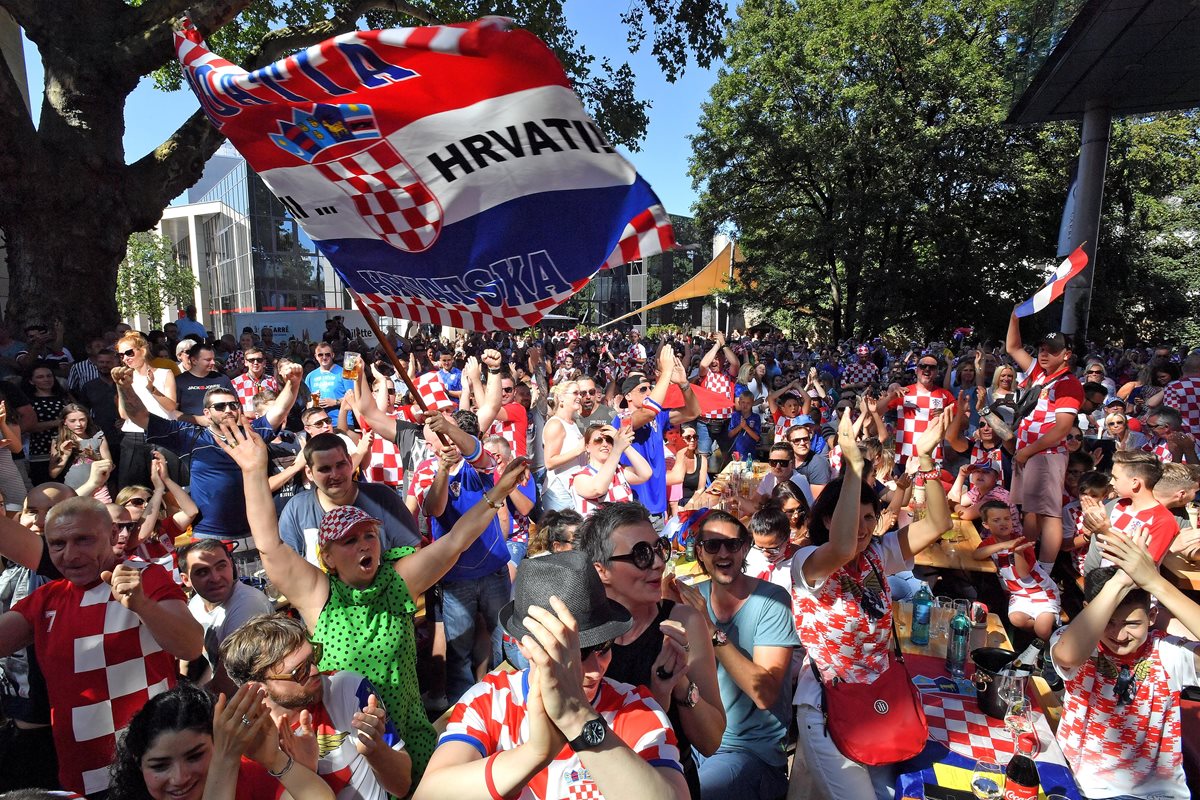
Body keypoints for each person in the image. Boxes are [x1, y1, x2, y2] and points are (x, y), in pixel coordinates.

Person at [220, 418, 532, 780]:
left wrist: (496, 495)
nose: (365, 544)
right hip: (346, 747)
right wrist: (253, 472)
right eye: (350, 541)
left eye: (369, 535)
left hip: (409, 739)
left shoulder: (397, 582)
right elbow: (269, 546)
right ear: (329, 557)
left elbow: (456, 540)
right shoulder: (319, 594)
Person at [418, 550, 689, 800]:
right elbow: (427, 794)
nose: (596, 669)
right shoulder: (491, 700)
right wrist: (534, 753)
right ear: (524, 646)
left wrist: (578, 719)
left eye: (604, 647)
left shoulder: (634, 707)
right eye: (577, 653)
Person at [790, 410, 952, 799]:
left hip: (879, 700)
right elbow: (843, 545)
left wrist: (927, 459)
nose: (862, 527)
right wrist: (853, 468)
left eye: (869, 517)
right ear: (827, 520)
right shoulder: (808, 562)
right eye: (852, 517)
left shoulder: (879, 554)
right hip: (830, 708)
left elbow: (938, 525)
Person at [0, 497, 202, 796]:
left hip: (147, 772)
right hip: (79, 776)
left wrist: (143, 606)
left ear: (111, 536)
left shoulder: (144, 576)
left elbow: (190, 646)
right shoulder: (47, 597)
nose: (70, 554)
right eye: (57, 544)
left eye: (83, 540)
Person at [578, 503, 725, 800]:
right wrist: (656, 695)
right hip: (597, 785)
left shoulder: (683, 623)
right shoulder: (581, 630)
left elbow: (710, 742)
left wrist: (680, 681)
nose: (658, 563)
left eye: (659, 549)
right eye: (641, 555)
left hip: (669, 784)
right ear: (601, 570)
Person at [1049, 536, 1200, 800]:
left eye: (1132, 624)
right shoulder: (1081, 641)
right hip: (1080, 784)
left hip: (1153, 793)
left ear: (1152, 617)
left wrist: (1155, 582)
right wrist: (1120, 581)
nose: (1119, 636)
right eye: (1109, 622)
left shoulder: (1166, 652)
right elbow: (1069, 655)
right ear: (1092, 612)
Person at [670, 510, 797, 800]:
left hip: (749, 752)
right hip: (696, 740)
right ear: (699, 553)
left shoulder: (771, 600)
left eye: (733, 544)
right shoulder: (689, 600)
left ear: (745, 548)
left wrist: (709, 628)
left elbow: (764, 693)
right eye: (713, 545)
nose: (724, 552)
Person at [117, 367, 299, 569]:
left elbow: (281, 409)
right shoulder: (190, 436)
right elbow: (140, 416)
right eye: (220, 406)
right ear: (207, 413)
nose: (228, 410)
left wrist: (293, 382)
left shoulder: (252, 434)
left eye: (233, 405)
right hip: (210, 536)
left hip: (255, 534)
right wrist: (126, 388)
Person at [221, 613, 412, 799]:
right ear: (257, 688)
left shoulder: (348, 689)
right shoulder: (247, 746)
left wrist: (376, 750)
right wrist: (303, 774)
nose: (315, 671)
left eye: (313, 658)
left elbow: (402, 787)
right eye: (299, 671)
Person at [108, 681, 333, 800]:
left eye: (195, 756)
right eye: (159, 765)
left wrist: (277, 760)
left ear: (218, 743)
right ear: (138, 762)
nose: (179, 778)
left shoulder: (246, 775)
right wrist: (225, 759)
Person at [1006, 322, 1085, 574]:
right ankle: (1027, 563)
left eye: (1051, 350)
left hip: (1046, 455)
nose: (1044, 353)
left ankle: (1041, 571)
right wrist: (1017, 315)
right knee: (1031, 512)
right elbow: (1013, 347)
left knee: (1049, 514)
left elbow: (1062, 428)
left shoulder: (1068, 383)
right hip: (1031, 454)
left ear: (1066, 354)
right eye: (1042, 348)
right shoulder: (1040, 374)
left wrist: (1028, 451)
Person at [278, 432, 421, 564]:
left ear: (351, 463)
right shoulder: (296, 509)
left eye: (340, 465)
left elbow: (412, 552)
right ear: (309, 473)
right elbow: (287, 567)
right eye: (324, 469)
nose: (335, 475)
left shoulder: (383, 498)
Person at [616, 345, 700, 527]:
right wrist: (666, 372)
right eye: (643, 389)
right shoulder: (622, 419)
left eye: (650, 387)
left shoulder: (658, 416)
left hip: (658, 504)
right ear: (628, 396)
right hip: (634, 506)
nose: (649, 392)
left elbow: (693, 412)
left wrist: (684, 384)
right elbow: (649, 412)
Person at [179, 538, 272, 694]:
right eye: (202, 572)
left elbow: (227, 683)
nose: (215, 578)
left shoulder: (247, 605)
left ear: (231, 564)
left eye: (221, 566)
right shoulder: (195, 603)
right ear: (186, 580)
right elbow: (190, 661)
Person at [972, 500, 1060, 641]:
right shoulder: (989, 543)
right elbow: (976, 554)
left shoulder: (1022, 542)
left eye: (1007, 518)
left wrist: (1018, 553)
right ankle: (1045, 636)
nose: (1003, 523)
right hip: (1018, 594)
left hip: (1041, 591)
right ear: (986, 525)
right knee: (1016, 619)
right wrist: (1003, 545)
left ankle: (1051, 645)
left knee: (1042, 629)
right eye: (997, 520)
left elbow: (1023, 574)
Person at [1081, 450, 1180, 573]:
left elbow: (1143, 567)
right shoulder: (1116, 505)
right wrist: (1093, 521)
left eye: (1115, 478)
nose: (1111, 482)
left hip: (1131, 590)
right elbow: (1100, 550)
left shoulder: (1163, 520)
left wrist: (1105, 531)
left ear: (1135, 483)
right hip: (1101, 582)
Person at [114, 332, 178, 489]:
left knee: (168, 487)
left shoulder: (164, 373)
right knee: (132, 489)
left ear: (142, 350)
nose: (125, 358)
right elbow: (123, 414)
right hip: (133, 436)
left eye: (129, 352)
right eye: (121, 355)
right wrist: (122, 386)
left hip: (163, 433)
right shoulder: (124, 377)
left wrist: (152, 389)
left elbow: (171, 406)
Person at [884, 352, 955, 469]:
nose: (927, 369)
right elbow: (878, 410)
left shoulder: (945, 395)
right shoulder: (903, 392)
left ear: (937, 372)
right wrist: (891, 393)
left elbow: (963, 421)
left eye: (932, 367)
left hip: (933, 459)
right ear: (916, 370)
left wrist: (947, 414)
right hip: (905, 458)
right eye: (923, 366)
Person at [570, 423, 653, 516]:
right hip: (598, 530)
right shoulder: (580, 476)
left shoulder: (619, 471)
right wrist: (617, 449)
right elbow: (598, 489)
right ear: (587, 447)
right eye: (598, 440)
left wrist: (624, 445)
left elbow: (645, 474)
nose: (605, 444)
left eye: (609, 440)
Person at [48, 403, 112, 499]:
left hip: (98, 489)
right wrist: (65, 456)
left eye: (82, 420)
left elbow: (109, 465)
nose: (78, 424)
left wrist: (94, 456)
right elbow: (53, 473)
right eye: (72, 421)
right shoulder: (58, 441)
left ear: (87, 419)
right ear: (65, 422)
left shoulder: (97, 437)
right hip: (73, 490)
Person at [541, 381, 586, 512]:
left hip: (572, 489)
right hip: (559, 493)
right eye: (575, 393)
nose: (579, 397)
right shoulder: (555, 424)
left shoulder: (572, 423)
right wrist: (578, 450)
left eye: (580, 393)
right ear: (561, 397)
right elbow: (549, 462)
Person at [22, 363, 68, 486]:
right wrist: (58, 423)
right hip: (40, 451)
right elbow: (27, 427)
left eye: (49, 376)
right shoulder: (28, 402)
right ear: (31, 381)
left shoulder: (63, 397)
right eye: (40, 377)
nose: (46, 379)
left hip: (66, 449)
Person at [744, 503, 800, 592]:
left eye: (773, 549)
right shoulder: (751, 553)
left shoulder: (799, 562)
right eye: (760, 547)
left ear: (787, 537)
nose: (765, 554)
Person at [305, 343, 353, 428]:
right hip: (319, 424)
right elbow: (306, 402)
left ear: (333, 355)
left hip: (342, 422)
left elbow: (354, 397)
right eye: (320, 355)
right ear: (316, 356)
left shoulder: (345, 372)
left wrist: (335, 402)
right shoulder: (310, 376)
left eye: (327, 354)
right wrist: (312, 403)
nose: (324, 357)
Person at [231, 346, 278, 415]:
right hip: (246, 423)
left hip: (269, 423)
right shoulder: (235, 383)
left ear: (264, 363)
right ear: (246, 362)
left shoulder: (272, 381)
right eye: (251, 360)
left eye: (259, 360)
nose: (255, 363)